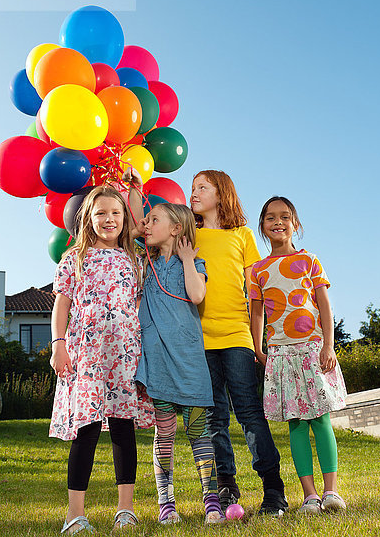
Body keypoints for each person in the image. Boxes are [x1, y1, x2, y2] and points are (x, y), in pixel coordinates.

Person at [49, 185, 155, 535]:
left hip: (124, 354)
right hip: (86, 353)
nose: (109, 219)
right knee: (87, 430)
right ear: (87, 219)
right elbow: (62, 305)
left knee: (123, 429)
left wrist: (136, 193)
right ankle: (74, 515)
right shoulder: (74, 258)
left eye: (116, 213)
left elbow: (138, 305)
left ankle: (126, 510)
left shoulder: (134, 259)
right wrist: (58, 344)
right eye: (100, 213)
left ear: (125, 219)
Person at [189, 171, 288, 515]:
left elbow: (256, 291)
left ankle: (273, 489)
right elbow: (147, 230)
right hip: (199, 339)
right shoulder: (189, 234)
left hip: (237, 335)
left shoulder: (242, 235)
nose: (195, 193)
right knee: (214, 418)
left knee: (248, 412)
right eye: (193, 188)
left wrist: (262, 340)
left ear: (222, 193)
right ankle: (226, 486)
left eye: (202, 187)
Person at [249, 196, 348, 514]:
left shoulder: (310, 261)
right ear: (263, 226)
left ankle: (331, 492)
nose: (277, 222)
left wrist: (328, 345)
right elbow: (257, 314)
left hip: (312, 351)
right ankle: (310, 495)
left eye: (285, 216)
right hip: (280, 355)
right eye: (270, 217)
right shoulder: (258, 271)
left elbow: (325, 307)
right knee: (295, 424)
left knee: (321, 420)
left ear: (296, 224)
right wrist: (258, 349)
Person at [134, 203, 224, 524]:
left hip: (188, 362)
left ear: (175, 229)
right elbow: (134, 220)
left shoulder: (195, 262)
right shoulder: (145, 261)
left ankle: (211, 501)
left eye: (155, 220)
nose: (147, 225)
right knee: (165, 433)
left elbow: (197, 295)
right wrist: (133, 186)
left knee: (199, 431)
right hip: (157, 363)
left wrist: (187, 260)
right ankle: (166, 502)